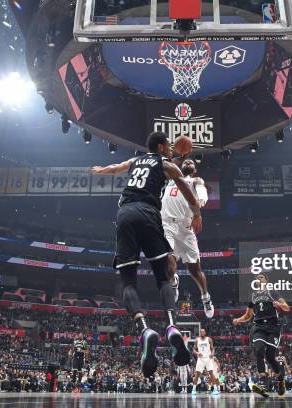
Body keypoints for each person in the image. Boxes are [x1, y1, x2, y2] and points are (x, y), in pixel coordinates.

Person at [91, 132, 200, 378]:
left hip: (125, 215)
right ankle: (171, 327)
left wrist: (100, 170)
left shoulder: (135, 161)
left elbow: (115, 168)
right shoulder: (166, 164)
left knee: (128, 281)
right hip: (149, 214)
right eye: (169, 147)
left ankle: (144, 329)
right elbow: (185, 190)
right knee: (165, 276)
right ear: (161, 147)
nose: (172, 150)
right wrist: (197, 212)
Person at [161, 158, 214, 318]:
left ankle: (205, 297)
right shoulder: (171, 177)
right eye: (187, 161)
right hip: (167, 225)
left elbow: (201, 189)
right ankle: (174, 282)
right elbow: (164, 164)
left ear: (194, 169)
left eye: (192, 162)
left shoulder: (196, 180)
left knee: (195, 271)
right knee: (167, 265)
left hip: (186, 228)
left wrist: (202, 200)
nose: (189, 161)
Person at [233, 272, 290, 398]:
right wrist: (238, 320)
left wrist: (279, 305)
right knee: (259, 349)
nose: (259, 278)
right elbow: (248, 316)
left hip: (272, 327)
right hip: (258, 327)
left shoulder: (273, 292)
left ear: (266, 280)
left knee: (270, 357)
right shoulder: (253, 296)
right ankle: (263, 383)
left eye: (261, 277)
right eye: (257, 277)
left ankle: (280, 379)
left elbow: (287, 307)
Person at [191, 329, 219, 396]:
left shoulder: (209, 339)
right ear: (200, 333)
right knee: (197, 374)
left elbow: (212, 348)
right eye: (201, 332)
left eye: (203, 331)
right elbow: (194, 349)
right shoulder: (197, 340)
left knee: (211, 374)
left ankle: (215, 389)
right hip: (200, 359)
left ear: (205, 332)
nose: (202, 332)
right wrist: (197, 353)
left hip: (208, 358)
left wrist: (212, 353)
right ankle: (194, 390)